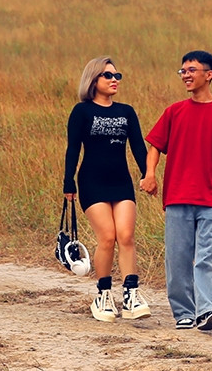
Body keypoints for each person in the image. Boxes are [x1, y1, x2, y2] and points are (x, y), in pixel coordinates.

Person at [140, 50, 212, 331]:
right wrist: (150, 174)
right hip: (178, 197)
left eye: (191, 70)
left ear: (209, 74)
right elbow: (155, 146)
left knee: (207, 257)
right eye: (182, 71)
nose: (185, 75)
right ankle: (183, 312)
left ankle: (207, 310)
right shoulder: (174, 111)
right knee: (178, 257)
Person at [64, 56, 152, 322]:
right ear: (93, 80)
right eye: (108, 75)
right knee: (107, 237)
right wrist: (68, 182)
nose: (115, 80)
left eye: (117, 76)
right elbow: (73, 148)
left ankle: (131, 296)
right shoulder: (82, 111)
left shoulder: (126, 111)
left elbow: (138, 146)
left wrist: (148, 174)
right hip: (92, 181)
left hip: (121, 181)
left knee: (126, 236)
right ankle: (103, 296)